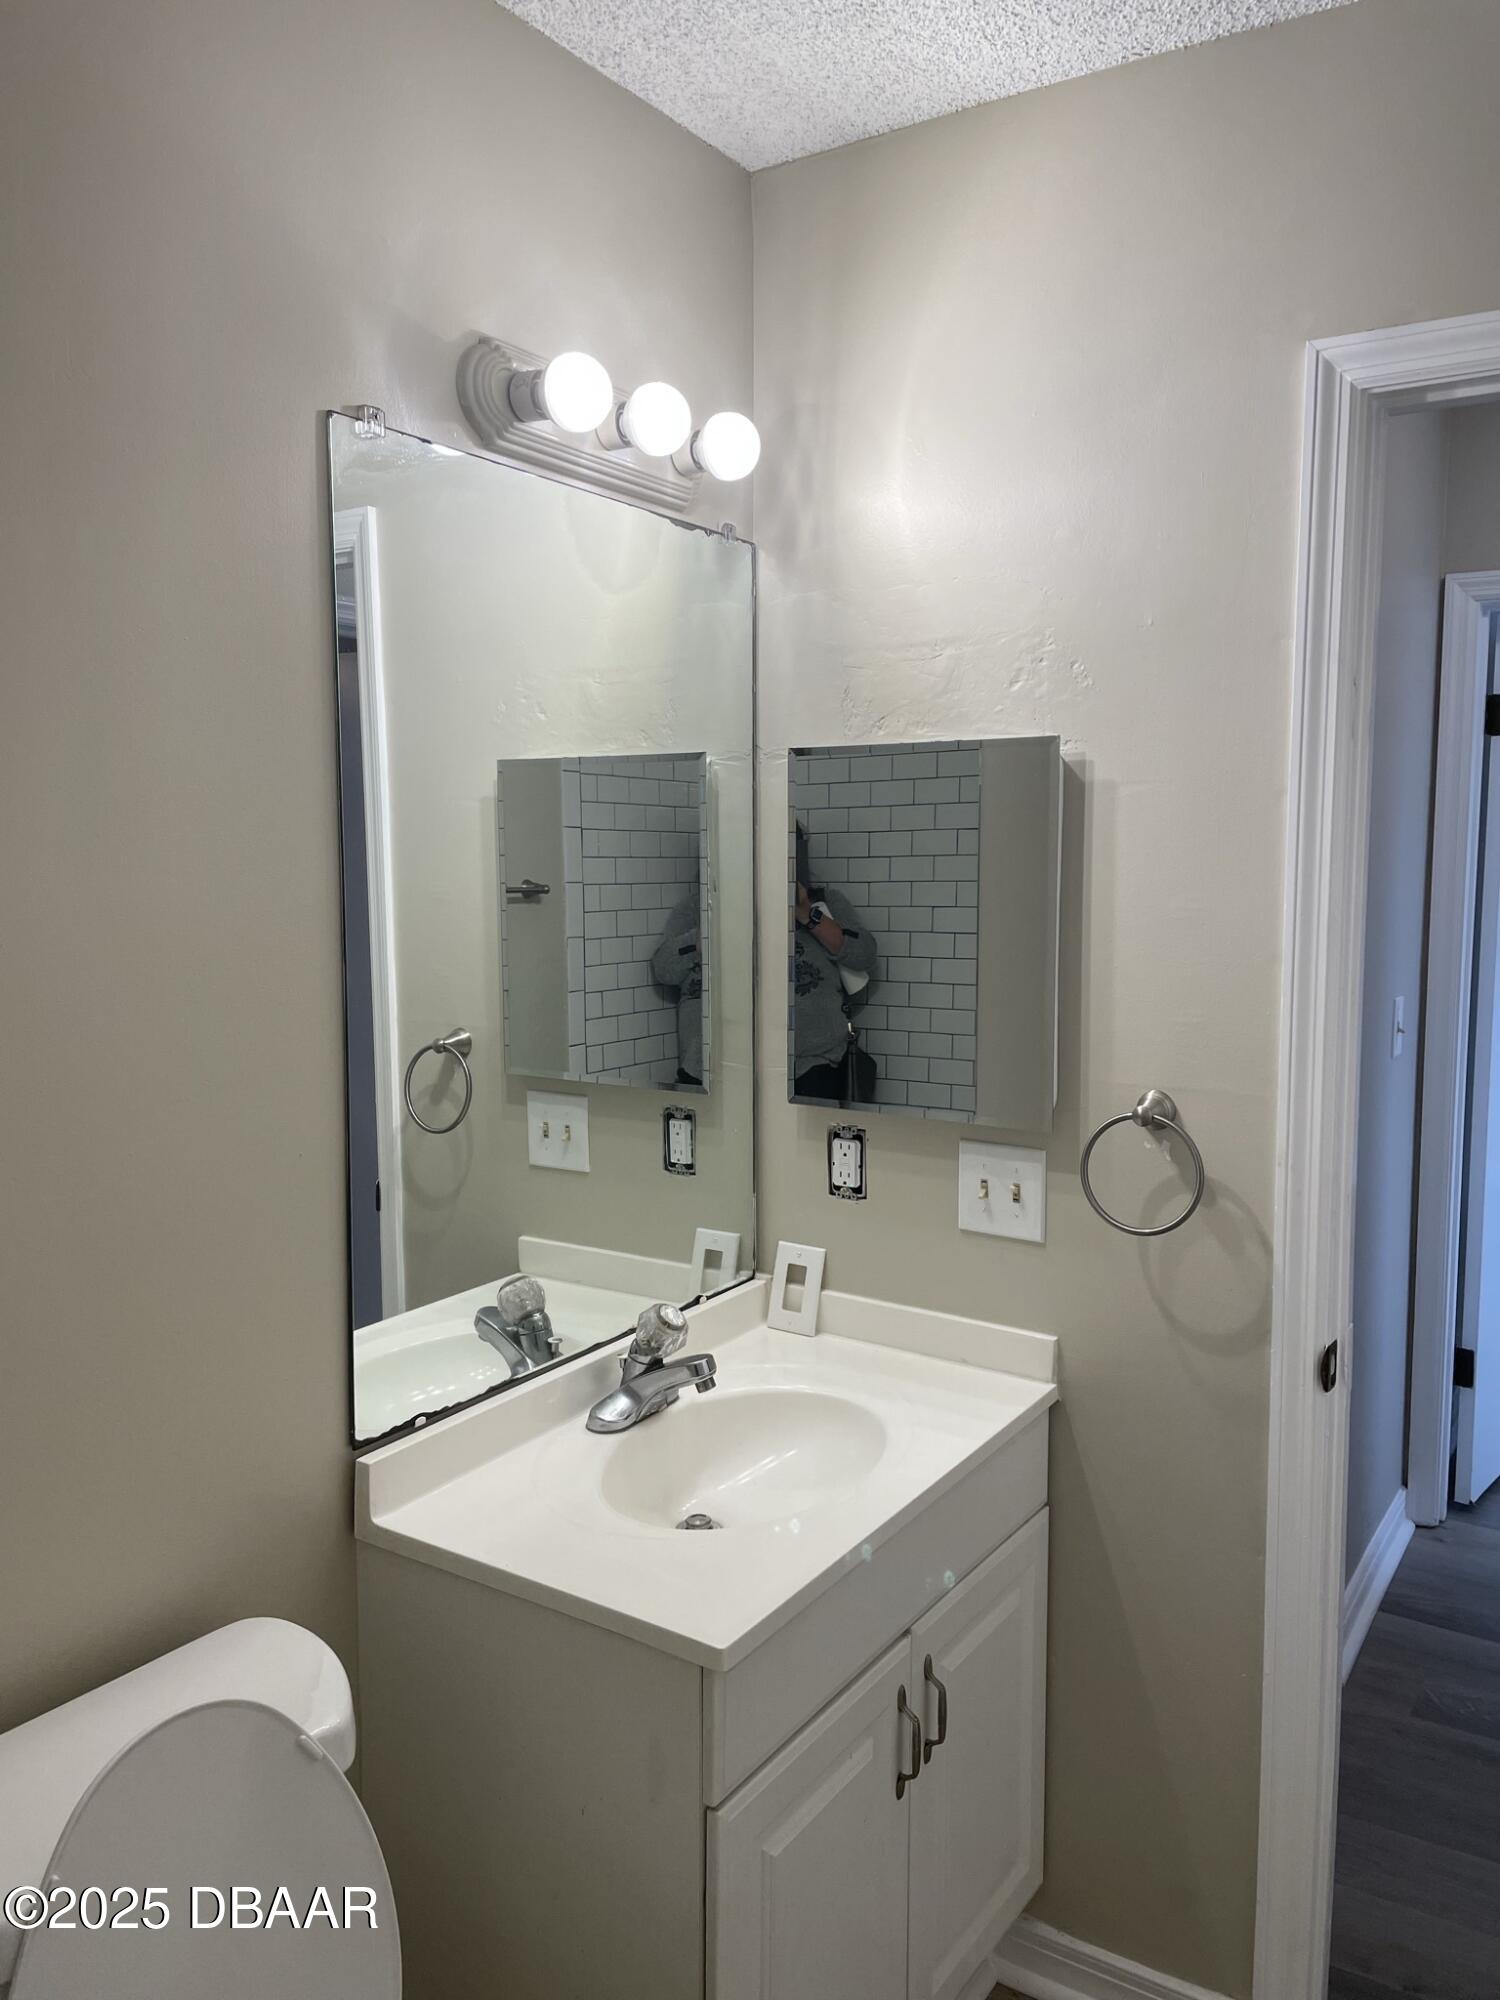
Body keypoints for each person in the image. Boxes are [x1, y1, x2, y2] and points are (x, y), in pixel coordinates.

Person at [792, 825, 879, 1102]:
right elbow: (664, 967)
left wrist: (808, 914)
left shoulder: (827, 903)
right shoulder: (721, 906)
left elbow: (864, 953)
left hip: (819, 1063)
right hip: (748, 1063)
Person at [652, 894, 704, 1085]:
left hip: (794, 1066)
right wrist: (696, 940)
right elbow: (663, 970)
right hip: (697, 1065)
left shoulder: (782, 911)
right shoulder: (693, 909)